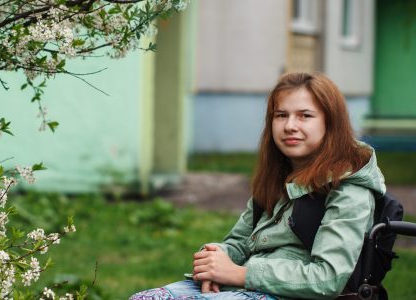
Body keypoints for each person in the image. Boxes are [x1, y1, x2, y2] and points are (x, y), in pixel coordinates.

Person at [129, 72, 386, 300]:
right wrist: (215, 258)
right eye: (281, 115)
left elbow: (327, 278)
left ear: (330, 124)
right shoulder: (278, 178)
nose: (290, 126)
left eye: (305, 116)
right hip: (249, 287)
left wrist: (241, 274)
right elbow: (240, 243)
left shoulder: (349, 188)